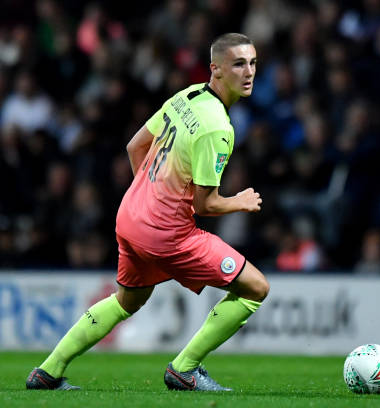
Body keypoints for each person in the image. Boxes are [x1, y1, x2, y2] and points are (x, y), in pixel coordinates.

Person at [26, 33, 269, 391]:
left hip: (130, 216)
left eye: (252, 63)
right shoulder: (218, 128)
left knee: (127, 300)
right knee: (255, 287)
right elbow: (206, 204)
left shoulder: (187, 96)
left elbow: (134, 146)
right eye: (238, 64)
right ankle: (184, 369)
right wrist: (241, 201)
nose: (248, 72)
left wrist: (150, 196)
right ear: (215, 69)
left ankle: (48, 371)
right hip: (167, 232)